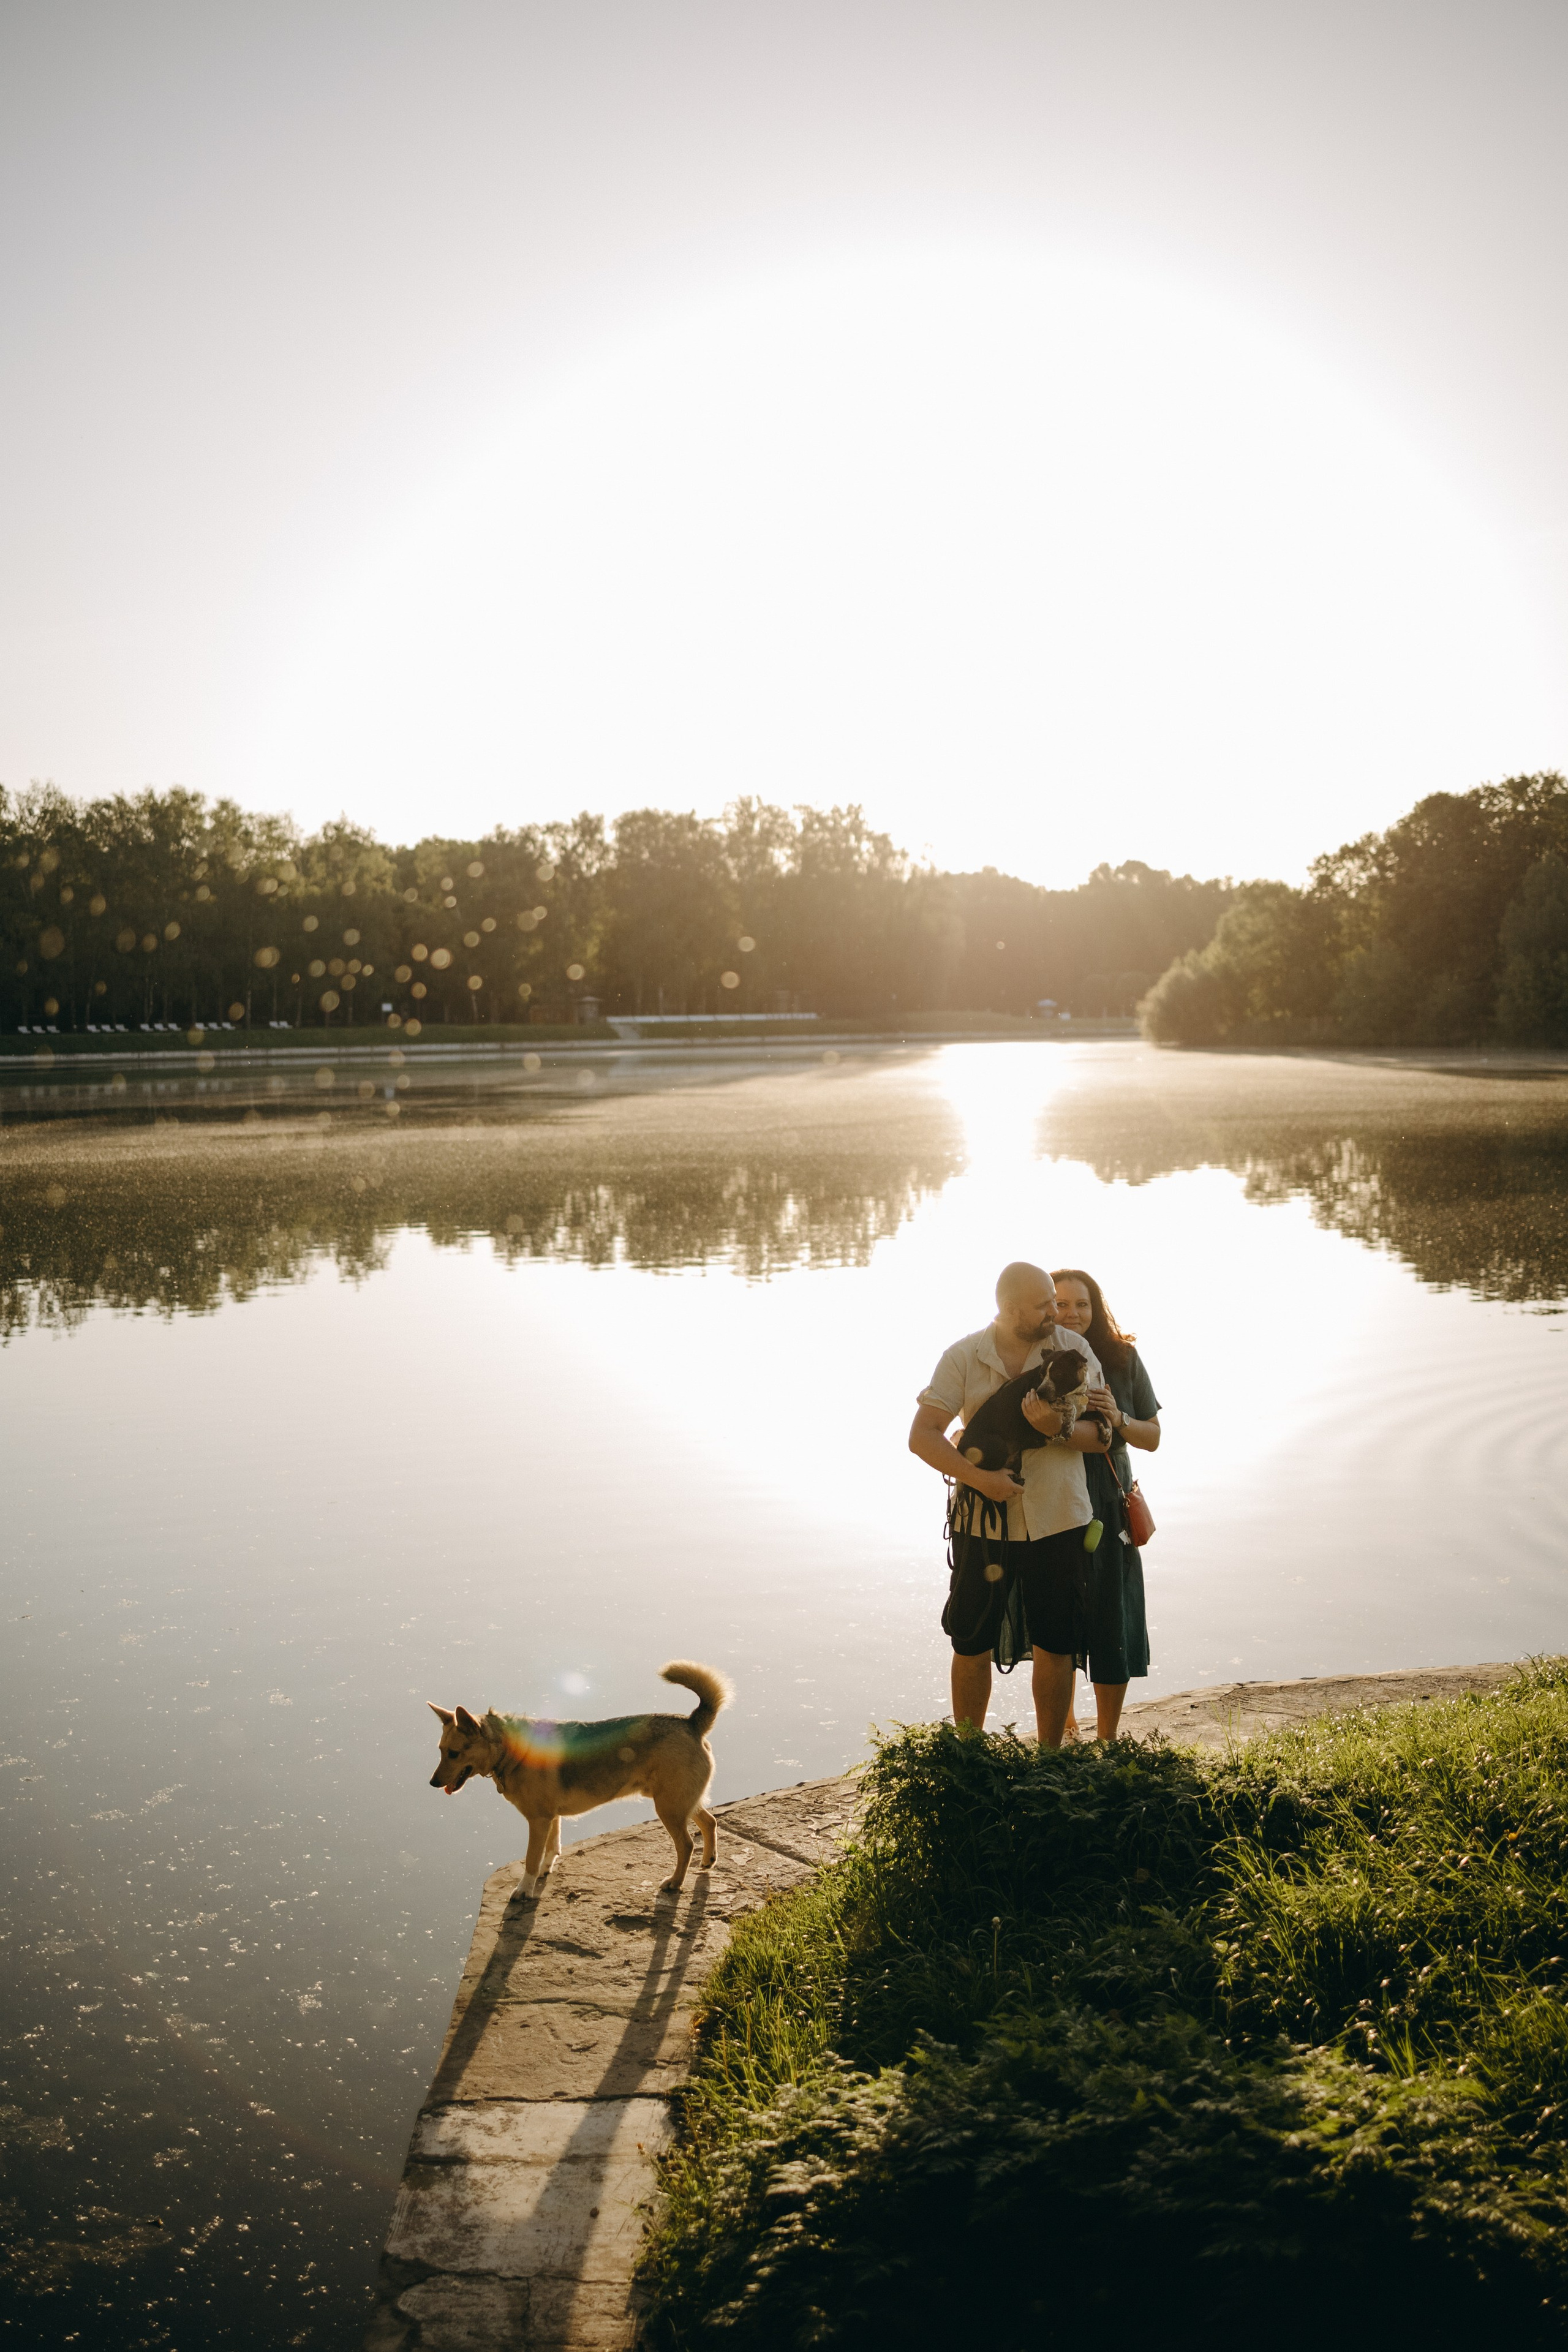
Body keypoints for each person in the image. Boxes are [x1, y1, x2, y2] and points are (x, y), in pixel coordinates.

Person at [908, 1261, 1110, 1746]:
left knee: (1056, 1644)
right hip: (981, 1522)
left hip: (1058, 1519)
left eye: (1055, 1303)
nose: (1055, 1313)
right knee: (971, 1641)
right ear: (1010, 1308)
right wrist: (981, 1480)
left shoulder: (1074, 1351)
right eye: (1043, 1306)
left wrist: (1055, 1429)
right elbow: (922, 1436)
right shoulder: (963, 1356)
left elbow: (1102, 1437)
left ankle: (1050, 1761)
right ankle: (970, 1755)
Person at [1050, 1268, 1161, 1741]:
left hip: (1108, 1501)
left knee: (1112, 1613)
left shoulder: (1121, 1358)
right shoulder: (1036, 1358)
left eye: (1082, 1304)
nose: (1072, 1314)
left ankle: (1108, 1739)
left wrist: (1120, 1418)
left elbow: (1152, 1437)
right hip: (1053, 1498)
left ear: (1096, 1309)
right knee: (1059, 1618)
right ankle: (1066, 1729)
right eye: (1060, 1304)